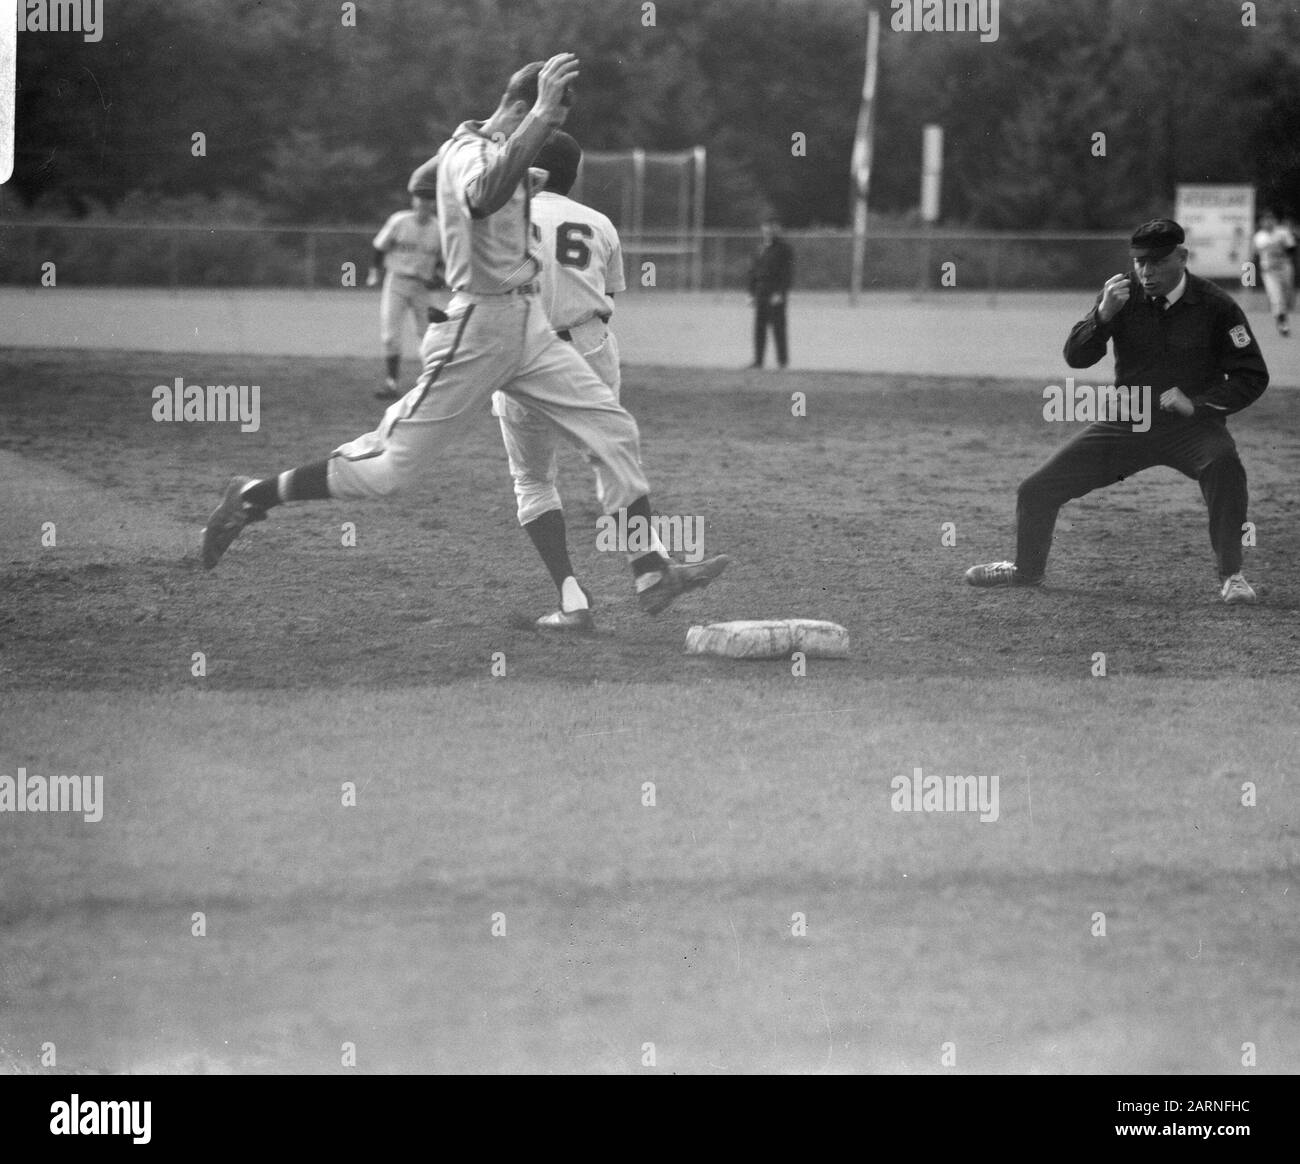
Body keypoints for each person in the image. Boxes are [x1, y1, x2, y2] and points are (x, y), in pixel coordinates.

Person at [201, 54, 730, 620]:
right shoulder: (471, 153)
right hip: (478, 326)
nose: (551, 129)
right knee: (390, 469)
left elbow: (426, 180)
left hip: (527, 325)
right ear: (526, 108)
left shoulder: (475, 145)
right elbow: (480, 194)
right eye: (549, 117)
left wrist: (507, 139)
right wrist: (521, 132)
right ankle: (254, 496)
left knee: (613, 430)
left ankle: (652, 572)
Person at [965, 218, 1268, 605]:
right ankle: (1026, 570)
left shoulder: (1216, 306)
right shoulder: (1120, 294)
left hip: (1192, 427)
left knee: (1224, 465)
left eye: (1157, 261)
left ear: (1182, 257)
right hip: (1131, 421)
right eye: (1140, 261)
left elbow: (1251, 374)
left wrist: (1200, 405)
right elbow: (1076, 357)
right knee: (1037, 489)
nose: (1147, 271)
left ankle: (1232, 576)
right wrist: (1102, 316)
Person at [491, 130, 675, 631]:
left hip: (523, 353)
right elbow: (609, 290)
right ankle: (649, 567)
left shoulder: (503, 216)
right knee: (609, 457)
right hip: (591, 345)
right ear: (574, 175)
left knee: (531, 480)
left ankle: (572, 599)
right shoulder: (600, 223)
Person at [367, 180, 447, 401]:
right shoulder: (399, 221)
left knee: (429, 335)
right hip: (397, 283)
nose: (423, 202)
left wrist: (439, 278)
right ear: (414, 200)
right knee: (390, 335)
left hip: (423, 287)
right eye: (420, 198)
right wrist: (375, 271)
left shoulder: (439, 228)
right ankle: (391, 383)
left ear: (433, 203)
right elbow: (379, 247)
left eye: (428, 199)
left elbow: (444, 261)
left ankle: (432, 384)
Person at [747, 219, 793, 369]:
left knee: (778, 328)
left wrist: (780, 292)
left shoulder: (784, 249)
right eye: (766, 227)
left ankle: (782, 361)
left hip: (775, 291)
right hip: (761, 290)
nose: (768, 231)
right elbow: (753, 271)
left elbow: (787, 273)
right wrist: (751, 292)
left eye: (772, 228)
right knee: (759, 328)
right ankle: (758, 361)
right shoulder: (760, 247)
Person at [1251, 210, 1296, 337]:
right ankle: (1282, 323)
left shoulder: (1283, 232)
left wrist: (1283, 247)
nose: (1268, 222)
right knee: (1276, 297)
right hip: (1269, 271)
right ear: (1261, 222)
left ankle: (1282, 315)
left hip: (1285, 268)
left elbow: (1292, 249)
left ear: (1275, 221)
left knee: (1287, 296)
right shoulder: (1259, 236)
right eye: (1265, 219)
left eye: (1270, 219)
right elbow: (1256, 252)